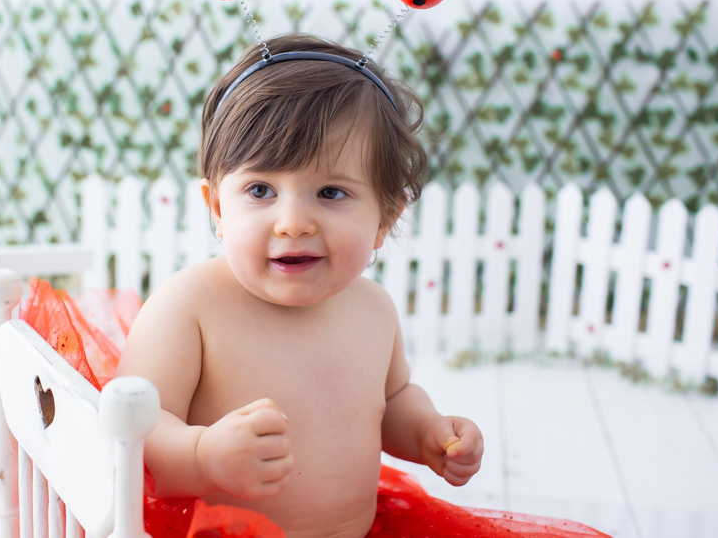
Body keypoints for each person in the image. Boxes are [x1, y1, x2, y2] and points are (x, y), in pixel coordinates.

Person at [115, 33, 484, 538]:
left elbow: (392, 399)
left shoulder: (373, 309)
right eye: (260, 190)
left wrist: (426, 432)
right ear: (218, 208)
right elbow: (137, 429)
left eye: (331, 192)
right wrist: (203, 456)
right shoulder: (190, 307)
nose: (293, 222)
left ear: (385, 216)